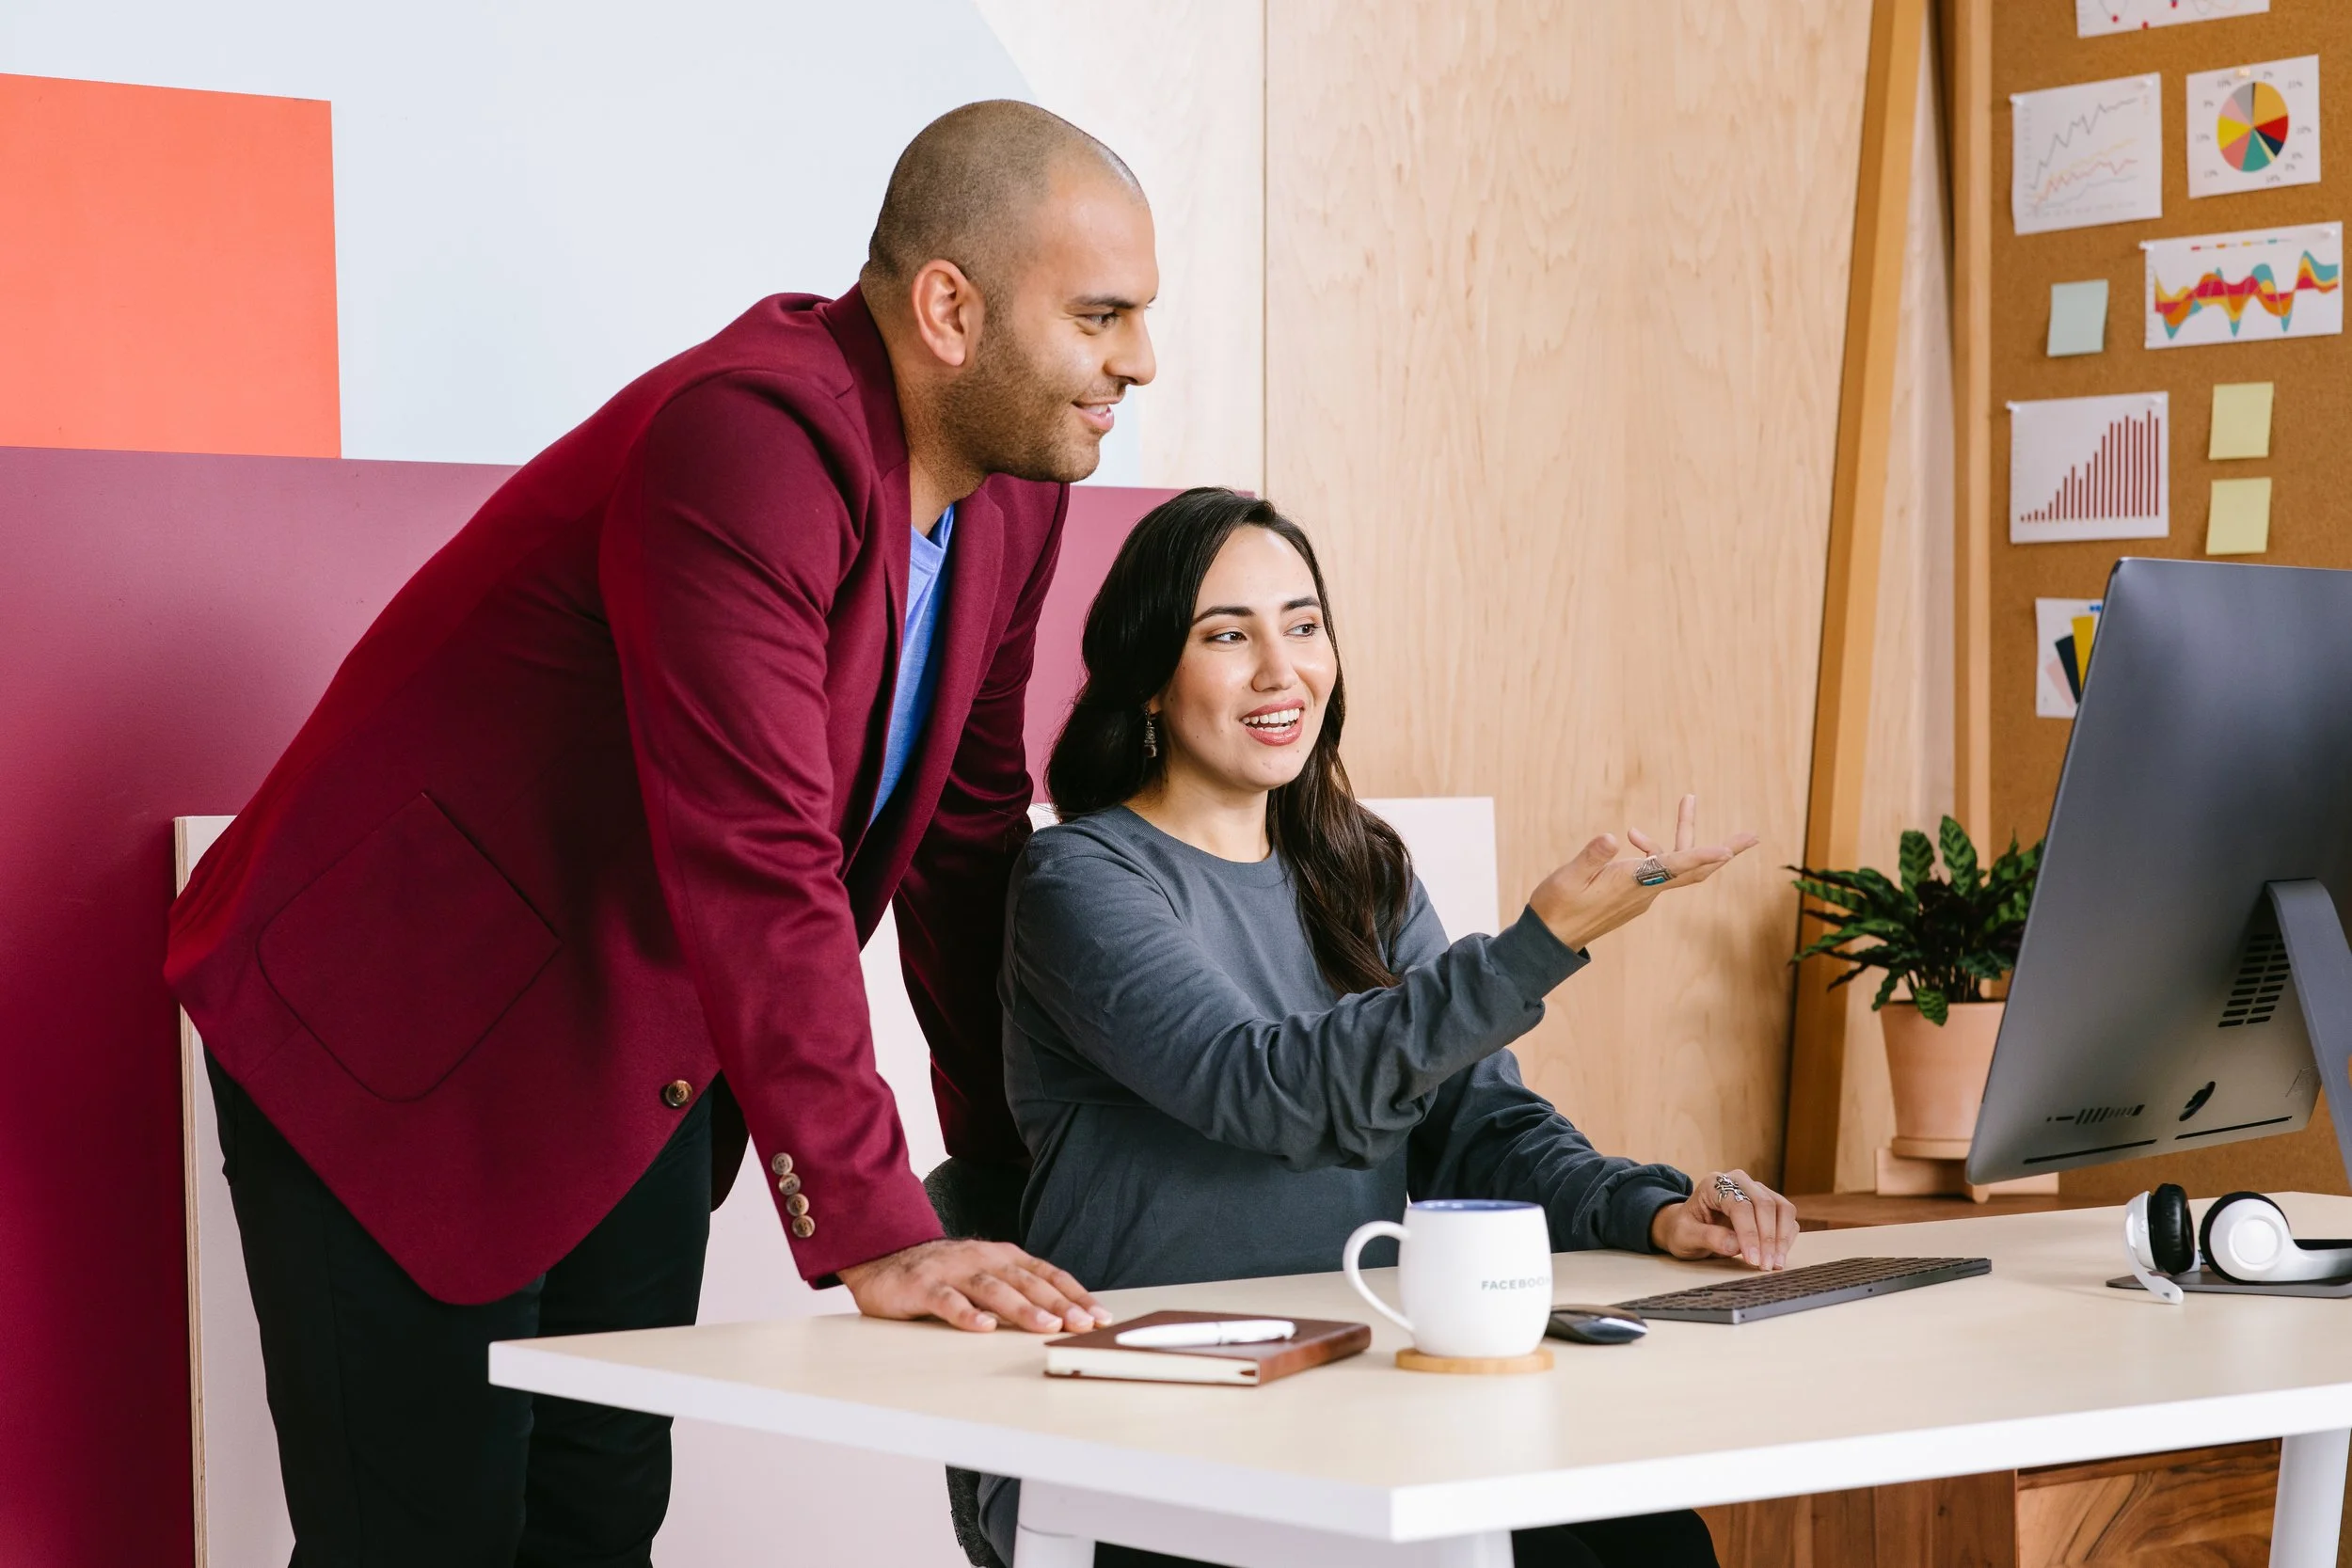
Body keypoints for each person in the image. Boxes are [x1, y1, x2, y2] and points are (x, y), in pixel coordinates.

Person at [164, 101, 1149, 1566]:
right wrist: (880, 1225)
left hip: (629, 1050)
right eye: (1101, 315)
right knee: (420, 1538)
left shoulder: (1011, 497)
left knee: (598, 1516)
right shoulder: (747, 438)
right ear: (950, 307)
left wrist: (1008, 1163)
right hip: (393, 1024)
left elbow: (966, 836)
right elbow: (756, 845)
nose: (1138, 360)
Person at [977, 487, 1794, 1568]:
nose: (1282, 670)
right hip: (1141, 1425)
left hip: (1347, 1401)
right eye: (1228, 634)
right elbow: (1268, 1089)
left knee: (1652, 1542)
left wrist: (1652, 1208)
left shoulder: (1360, 869)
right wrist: (1535, 944)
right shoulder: (1079, 876)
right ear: (1148, 681)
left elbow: (1481, 1129)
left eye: (1303, 625)